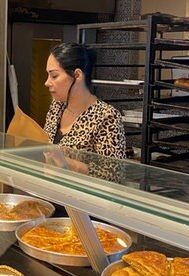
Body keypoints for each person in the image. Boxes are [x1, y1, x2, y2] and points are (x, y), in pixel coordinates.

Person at [42, 42, 126, 177]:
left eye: (54, 75)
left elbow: (113, 175)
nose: (47, 82)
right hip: (52, 192)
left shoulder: (106, 117)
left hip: (80, 197)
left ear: (77, 75)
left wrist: (67, 163)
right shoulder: (56, 107)